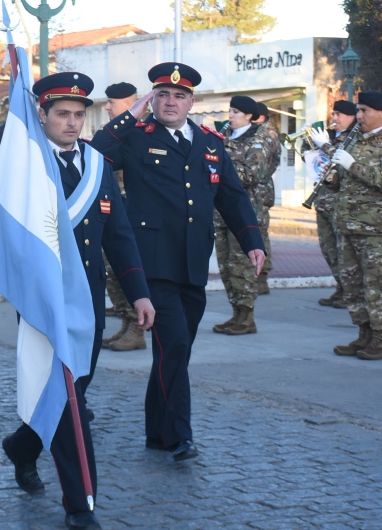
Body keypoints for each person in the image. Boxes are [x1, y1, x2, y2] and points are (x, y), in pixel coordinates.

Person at [0, 71, 154, 530]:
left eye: (79, 115)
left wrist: (138, 294)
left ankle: (22, 446)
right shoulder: (27, 160)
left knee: (73, 386)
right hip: (43, 303)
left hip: (89, 300)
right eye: (62, 114)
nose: (72, 123)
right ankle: (81, 503)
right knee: (68, 393)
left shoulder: (96, 164)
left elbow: (119, 237)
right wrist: (21, 114)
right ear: (44, 115)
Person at [91, 62, 264, 462]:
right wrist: (128, 117)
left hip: (191, 264)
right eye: (162, 95)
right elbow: (96, 155)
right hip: (151, 264)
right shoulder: (135, 137)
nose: (170, 102)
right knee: (176, 345)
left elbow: (233, 197)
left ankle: (157, 432)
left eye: (179, 96)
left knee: (174, 352)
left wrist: (251, 240)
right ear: (152, 99)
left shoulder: (209, 142)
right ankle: (180, 435)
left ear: (192, 102)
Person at [324, 91, 382, 360]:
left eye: (365, 111)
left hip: (377, 227)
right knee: (352, 284)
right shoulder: (355, 139)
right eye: (358, 111)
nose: (359, 116)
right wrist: (331, 177)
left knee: (374, 284)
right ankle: (363, 334)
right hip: (349, 223)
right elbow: (344, 181)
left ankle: (380, 341)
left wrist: (352, 165)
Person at [212, 96, 272, 335]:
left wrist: (218, 167)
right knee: (226, 266)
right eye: (230, 111)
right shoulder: (224, 138)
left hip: (246, 213)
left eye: (236, 112)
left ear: (249, 116)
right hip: (220, 213)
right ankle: (235, 313)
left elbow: (251, 174)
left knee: (241, 266)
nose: (231, 116)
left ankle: (247, 316)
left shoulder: (259, 140)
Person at [99, 82, 145, 352]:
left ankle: (137, 329)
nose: (106, 107)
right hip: (114, 215)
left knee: (129, 271)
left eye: (111, 103)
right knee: (113, 272)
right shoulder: (113, 134)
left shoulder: (141, 134)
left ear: (129, 106)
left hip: (133, 217)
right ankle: (127, 323)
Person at [305, 100, 358, 308]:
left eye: (339, 115)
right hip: (323, 200)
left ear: (351, 117)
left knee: (344, 250)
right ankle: (340, 287)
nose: (334, 118)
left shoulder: (354, 137)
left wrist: (324, 145)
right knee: (328, 248)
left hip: (341, 201)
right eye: (334, 114)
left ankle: (350, 291)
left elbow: (340, 157)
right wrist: (308, 141)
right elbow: (310, 159)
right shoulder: (329, 134)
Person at [252, 102, 279, 295]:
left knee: (260, 234)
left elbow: (266, 165)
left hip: (261, 191)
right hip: (256, 191)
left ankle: (262, 277)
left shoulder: (268, 134)